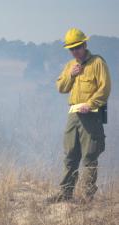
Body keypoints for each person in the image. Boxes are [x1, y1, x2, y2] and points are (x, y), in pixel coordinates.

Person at [49, 28, 111, 203]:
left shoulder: (97, 63)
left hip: (91, 115)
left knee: (90, 156)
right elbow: (61, 88)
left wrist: (90, 104)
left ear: (85, 44)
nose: (74, 51)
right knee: (70, 154)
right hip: (73, 115)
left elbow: (104, 89)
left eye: (77, 47)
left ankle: (86, 197)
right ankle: (65, 194)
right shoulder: (70, 66)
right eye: (71, 49)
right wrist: (71, 75)